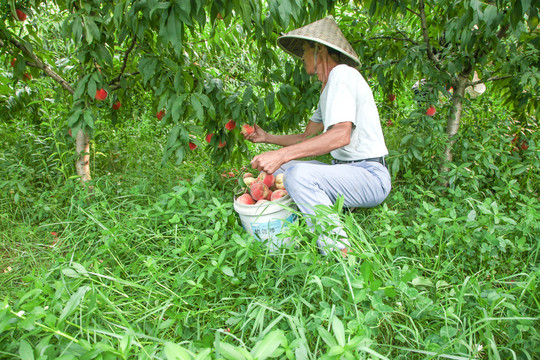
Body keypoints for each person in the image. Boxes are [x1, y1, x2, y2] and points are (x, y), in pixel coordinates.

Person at [243, 16, 391, 256]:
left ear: (319, 49)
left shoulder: (343, 74)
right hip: (345, 172)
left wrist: (280, 154)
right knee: (282, 170)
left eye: (305, 50)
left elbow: (340, 135)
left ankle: (340, 252)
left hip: (370, 175)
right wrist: (267, 137)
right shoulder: (327, 89)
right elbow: (306, 138)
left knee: (299, 174)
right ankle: (297, 222)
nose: (302, 57)